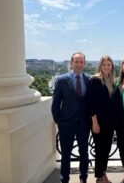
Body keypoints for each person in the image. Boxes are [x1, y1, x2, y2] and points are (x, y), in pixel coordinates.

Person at [51, 52, 91, 183]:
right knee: (66, 154)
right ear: (71, 63)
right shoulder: (62, 80)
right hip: (66, 124)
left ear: (84, 63)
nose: (79, 64)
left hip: (84, 124)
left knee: (84, 153)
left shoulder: (89, 79)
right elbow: (56, 102)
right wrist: (58, 120)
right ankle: (65, 178)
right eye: (76, 61)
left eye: (81, 62)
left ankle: (83, 177)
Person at [87, 56, 115, 183]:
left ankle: (103, 175)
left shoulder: (110, 80)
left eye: (109, 64)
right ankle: (99, 177)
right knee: (100, 150)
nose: (106, 67)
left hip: (109, 122)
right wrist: (95, 123)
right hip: (98, 122)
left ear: (112, 66)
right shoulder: (95, 80)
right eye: (104, 64)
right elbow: (91, 103)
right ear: (100, 66)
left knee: (106, 149)